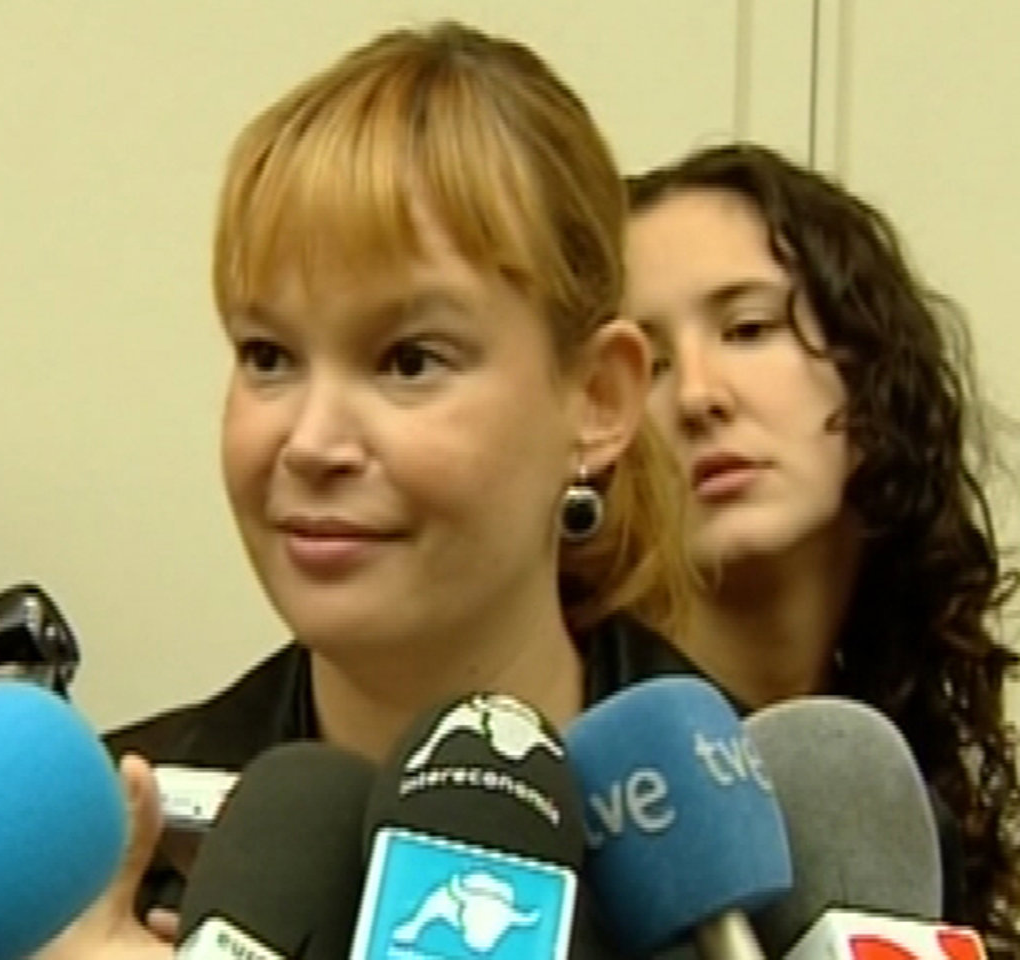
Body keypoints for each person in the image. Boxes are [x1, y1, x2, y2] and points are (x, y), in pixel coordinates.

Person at [37, 21, 694, 958]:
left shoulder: (776, 876)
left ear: (598, 398)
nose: (311, 443)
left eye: (408, 359)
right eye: (269, 355)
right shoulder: (87, 868)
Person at [624, 142, 1020, 955]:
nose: (697, 396)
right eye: (649, 364)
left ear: (869, 372)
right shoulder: (557, 766)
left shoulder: (902, 796)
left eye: (747, 329)